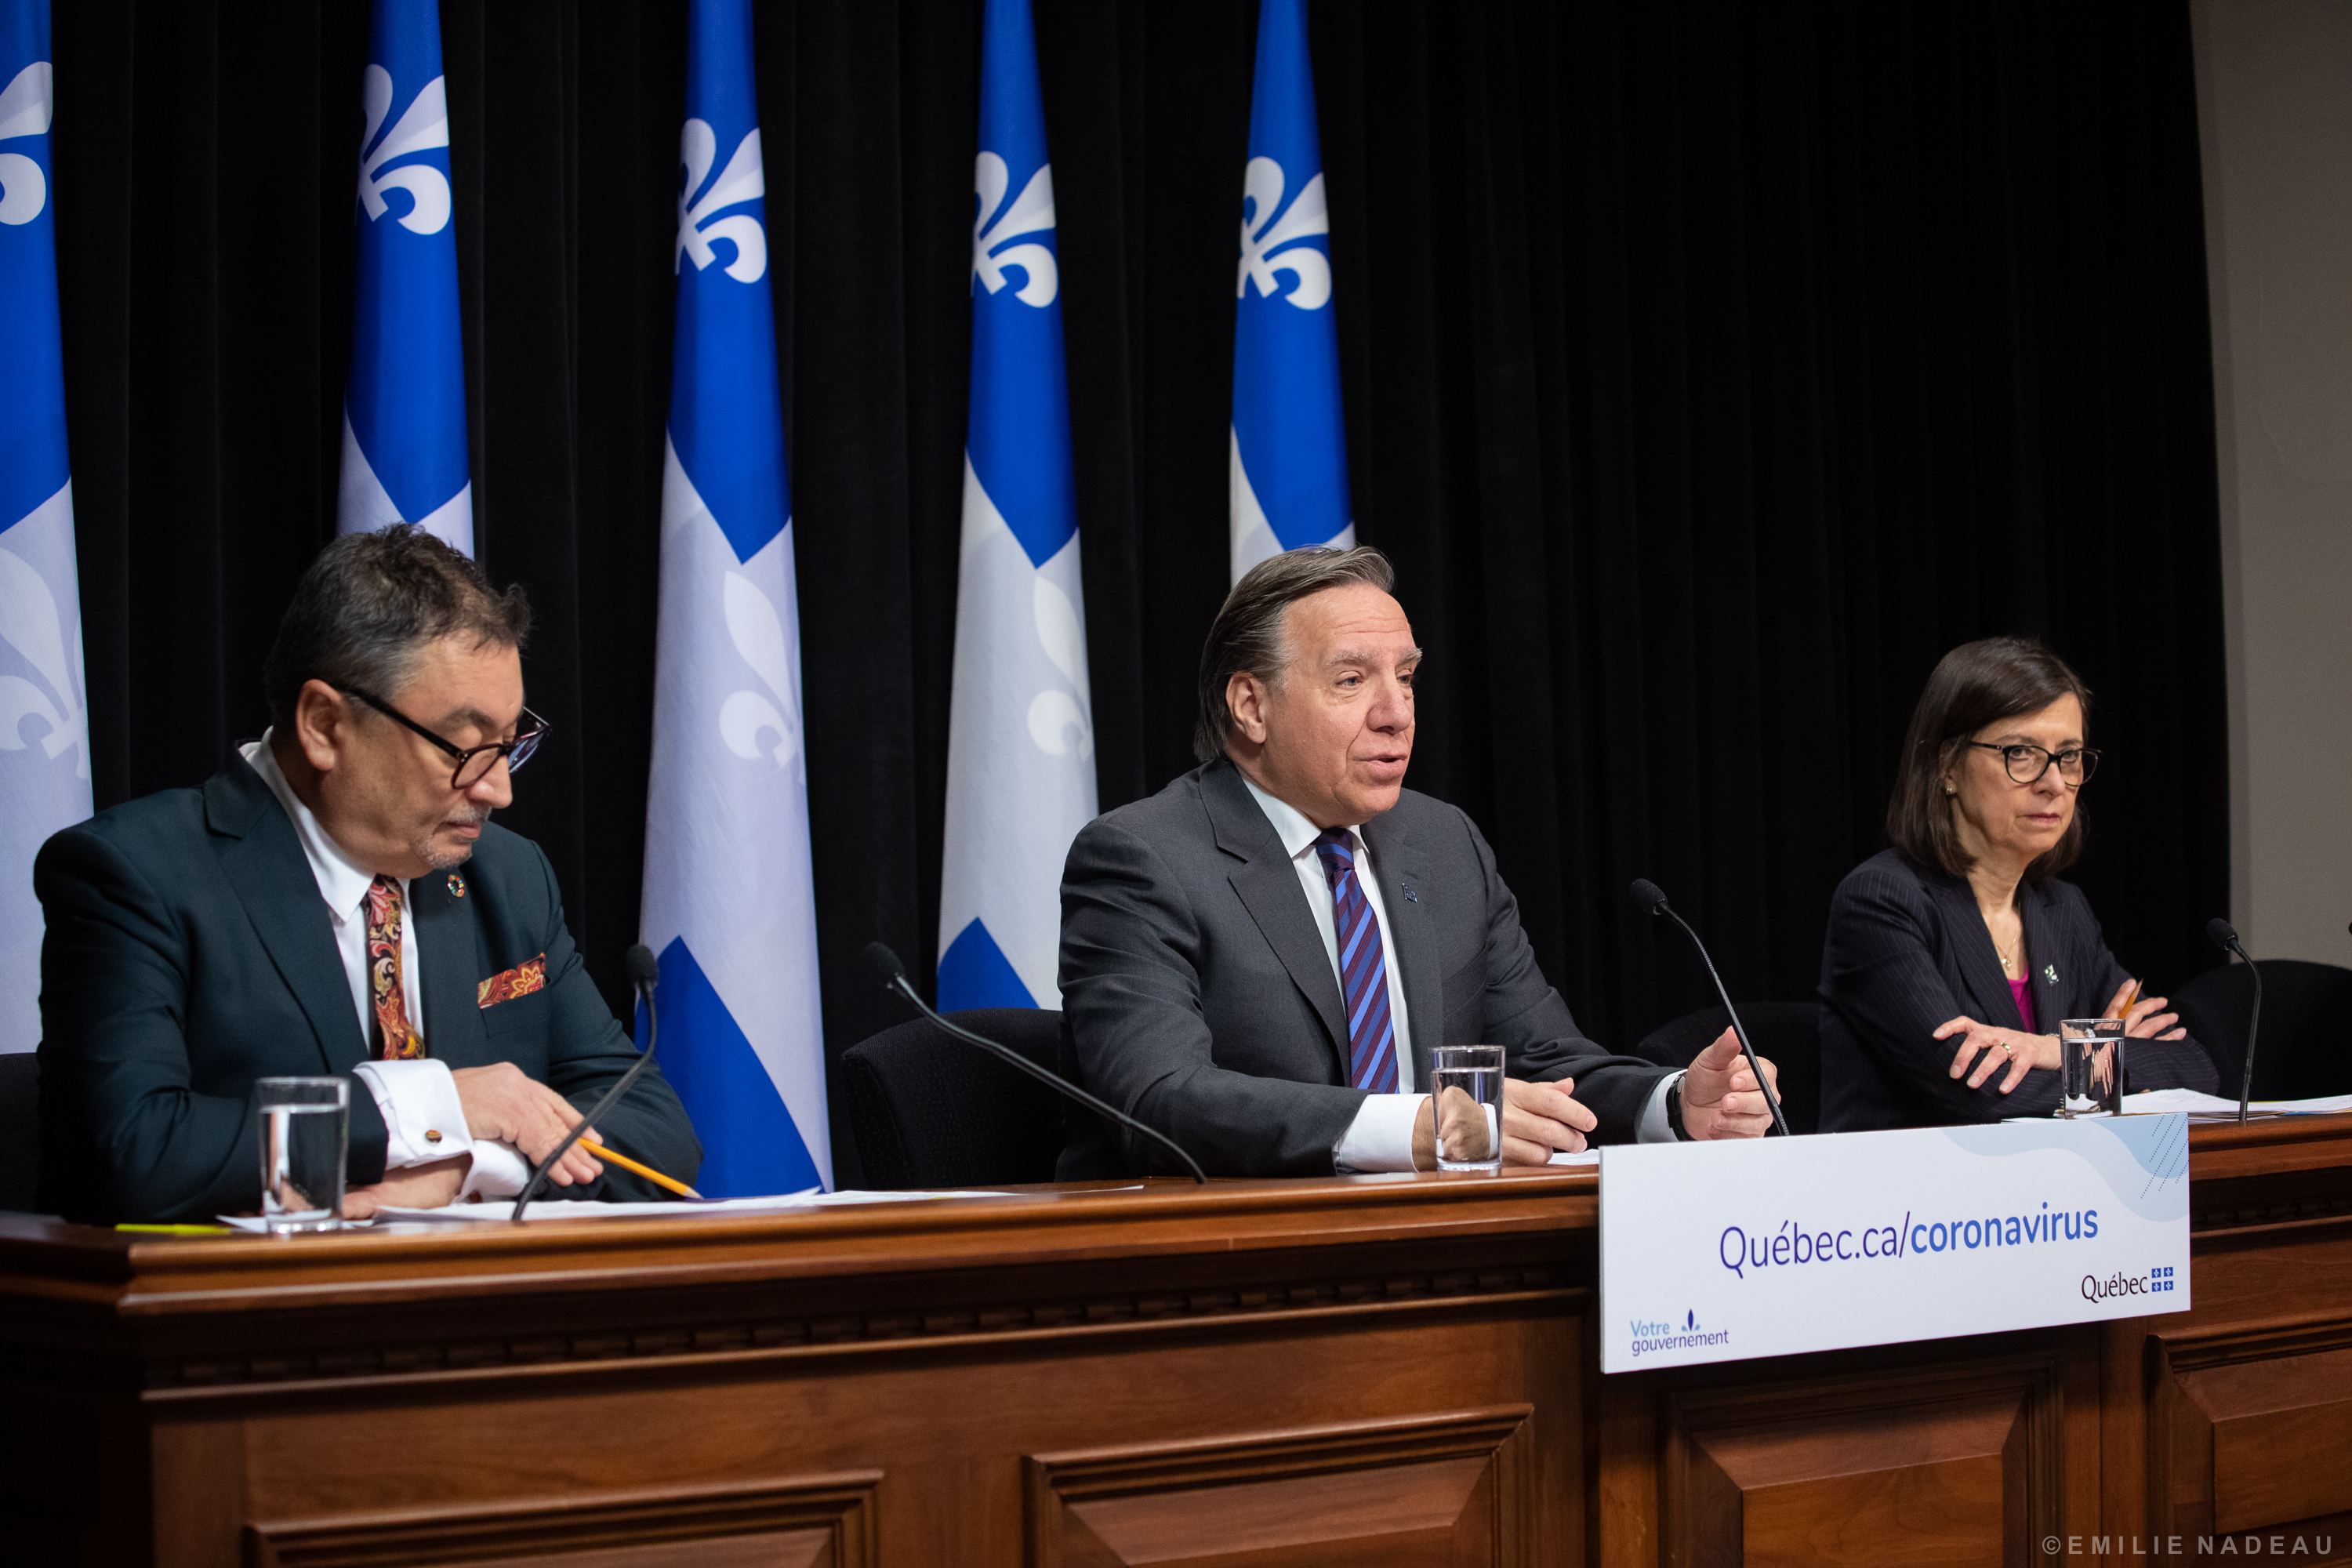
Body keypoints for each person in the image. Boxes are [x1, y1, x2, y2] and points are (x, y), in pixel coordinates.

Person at [35, 526, 699, 1222]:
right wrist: (435, 1107)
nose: (499, 790)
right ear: (325, 724)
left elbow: (655, 1129)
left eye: (510, 745)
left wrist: (469, 1169)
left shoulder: (509, 876)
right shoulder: (136, 873)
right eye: (466, 748)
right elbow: (138, 1151)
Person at [1055, 546, 1777, 1178]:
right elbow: (1159, 1097)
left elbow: (1545, 1065)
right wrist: (1414, 1130)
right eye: (1351, 680)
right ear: (1251, 706)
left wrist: (1674, 1104)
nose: (1397, 712)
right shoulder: (1145, 858)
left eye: (1405, 677)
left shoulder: (1443, 843)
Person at [1818, 637, 2218, 1131]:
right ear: (1946, 764)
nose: (2054, 783)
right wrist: (2103, 1053)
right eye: (2021, 753)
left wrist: (2051, 1049)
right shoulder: (1882, 902)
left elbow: (2195, 1068)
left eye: (2069, 756)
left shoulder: (2063, 910)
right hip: (1917, 1181)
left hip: (2053, 1180)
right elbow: (1981, 1093)